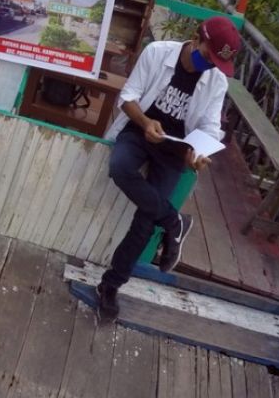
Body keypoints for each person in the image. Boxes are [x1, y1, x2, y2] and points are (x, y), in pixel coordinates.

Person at [95, 16, 241, 320]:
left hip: (174, 151)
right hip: (139, 132)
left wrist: (197, 152)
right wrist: (146, 122)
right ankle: (174, 222)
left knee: (145, 221)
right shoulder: (158, 52)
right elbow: (128, 97)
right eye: (206, 57)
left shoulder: (216, 81)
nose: (209, 66)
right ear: (194, 38)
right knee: (120, 168)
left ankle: (111, 285)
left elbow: (210, 127)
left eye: (215, 63)